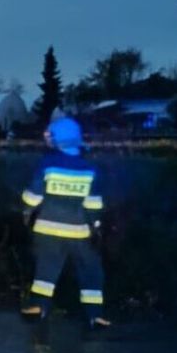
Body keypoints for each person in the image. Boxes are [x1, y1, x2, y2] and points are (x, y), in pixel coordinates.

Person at [20, 117, 110, 328]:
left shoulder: (47, 165)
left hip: (46, 229)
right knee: (90, 270)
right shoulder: (89, 170)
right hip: (79, 233)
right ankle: (95, 314)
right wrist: (96, 226)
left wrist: (26, 209)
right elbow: (94, 204)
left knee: (46, 270)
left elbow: (32, 198)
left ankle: (39, 307)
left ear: (57, 140)